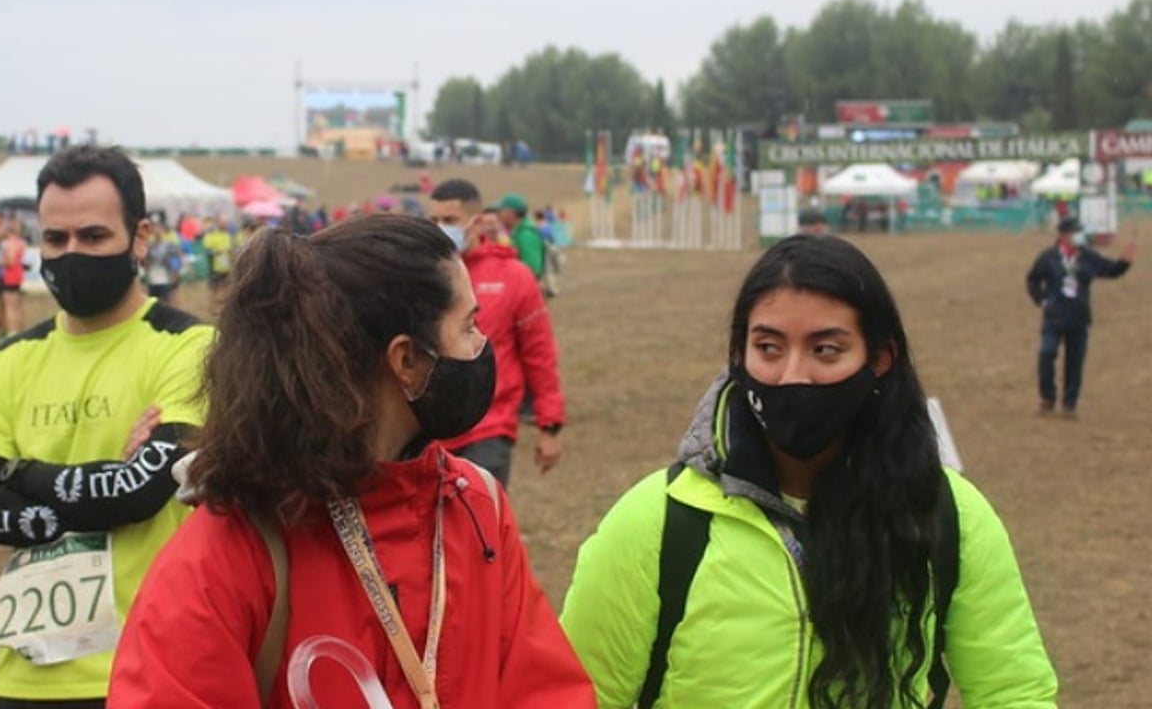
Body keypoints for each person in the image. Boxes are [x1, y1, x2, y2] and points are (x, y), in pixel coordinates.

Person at [107, 217, 594, 709]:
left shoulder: (476, 507)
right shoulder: (228, 551)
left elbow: (546, 693)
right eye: (468, 326)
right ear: (406, 361)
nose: (481, 345)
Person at [560, 234, 1057, 708]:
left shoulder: (947, 516)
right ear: (738, 355)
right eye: (769, 348)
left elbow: (1014, 694)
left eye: (825, 350)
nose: (792, 375)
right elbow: (573, 698)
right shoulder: (657, 523)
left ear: (880, 359)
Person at [0, 145, 213, 709]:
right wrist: (94, 494)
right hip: (27, 677)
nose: (71, 254)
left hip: (149, 667)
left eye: (93, 236)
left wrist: (16, 475)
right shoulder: (11, 358)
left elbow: (140, 493)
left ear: (140, 238)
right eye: (55, 238)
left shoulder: (189, 346)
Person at [428, 180, 565, 487]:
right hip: (427, 433)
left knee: (479, 515)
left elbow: (539, 351)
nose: (439, 229)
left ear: (476, 222)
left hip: (489, 429)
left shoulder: (514, 277)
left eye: (449, 220)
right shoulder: (420, 276)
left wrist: (550, 424)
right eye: (433, 220)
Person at [1026, 216, 1135, 417]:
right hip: (1054, 318)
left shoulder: (1088, 257)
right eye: (1075, 232)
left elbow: (1110, 270)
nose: (1079, 236)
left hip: (1078, 317)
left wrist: (1124, 263)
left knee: (1075, 363)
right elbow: (1033, 280)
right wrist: (1042, 300)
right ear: (1063, 235)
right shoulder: (1048, 257)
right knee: (1047, 354)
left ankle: (1070, 404)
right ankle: (1047, 398)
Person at [496, 193, 546, 281]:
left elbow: (532, 269)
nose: (499, 215)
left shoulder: (526, 235)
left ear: (511, 213)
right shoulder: (517, 233)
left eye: (501, 211)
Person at [0, 217, 28, 337]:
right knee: (17, 305)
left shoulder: (10, 244)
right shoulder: (21, 243)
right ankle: (19, 328)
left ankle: (12, 331)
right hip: (18, 275)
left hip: (10, 276)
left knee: (9, 306)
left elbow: (10, 261)